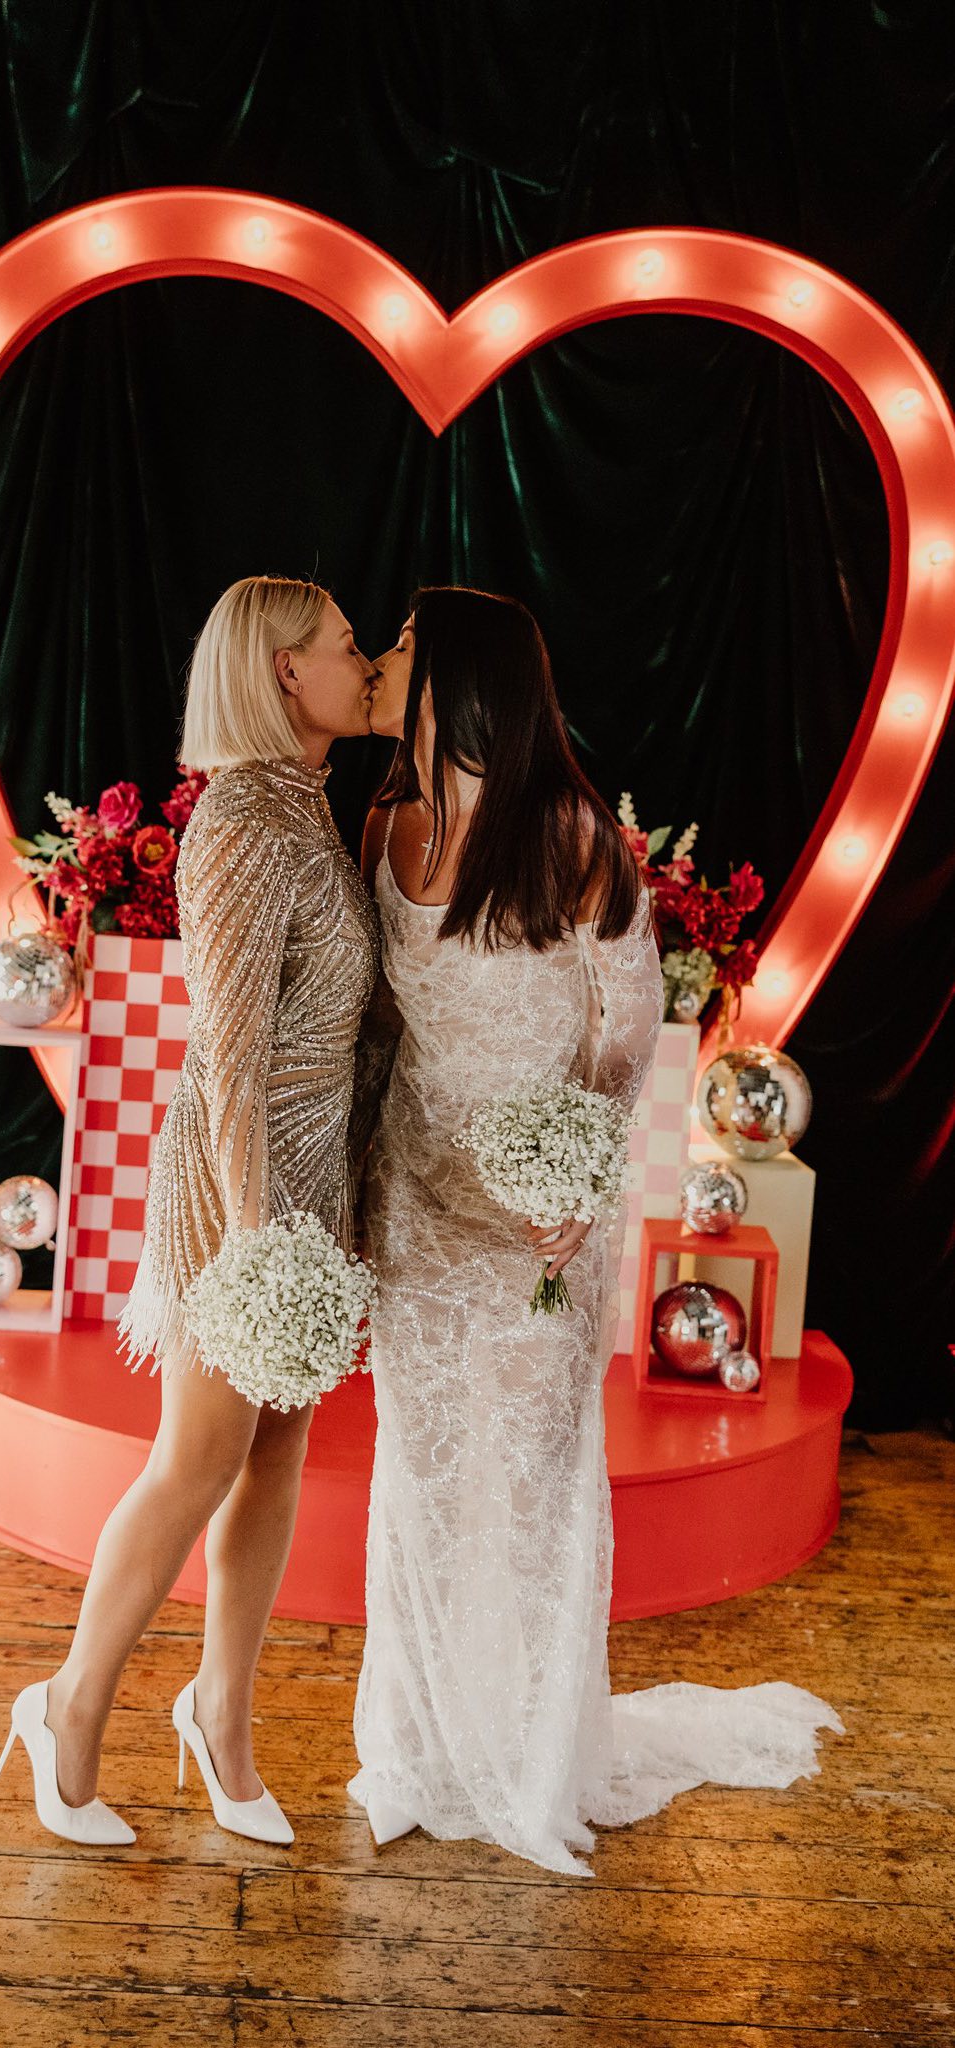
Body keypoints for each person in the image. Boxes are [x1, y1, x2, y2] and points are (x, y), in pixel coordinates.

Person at [347, 585, 843, 1875]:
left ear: (458, 675)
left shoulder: (572, 836)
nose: (379, 656)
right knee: (419, 1471)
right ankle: (416, 1746)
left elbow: (625, 1039)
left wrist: (571, 1177)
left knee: (522, 1480)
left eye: (398, 643)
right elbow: (389, 1028)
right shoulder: (380, 821)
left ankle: (523, 1759)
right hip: (419, 1197)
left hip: (539, 1221)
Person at [0, 575, 379, 1847]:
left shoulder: (307, 810)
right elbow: (227, 1054)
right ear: (280, 672)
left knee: (273, 1458)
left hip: (310, 1177)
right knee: (196, 1461)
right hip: (241, 1181)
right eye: (341, 645)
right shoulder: (243, 824)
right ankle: (69, 1707)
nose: (363, 659)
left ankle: (219, 1718)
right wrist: (259, 1234)